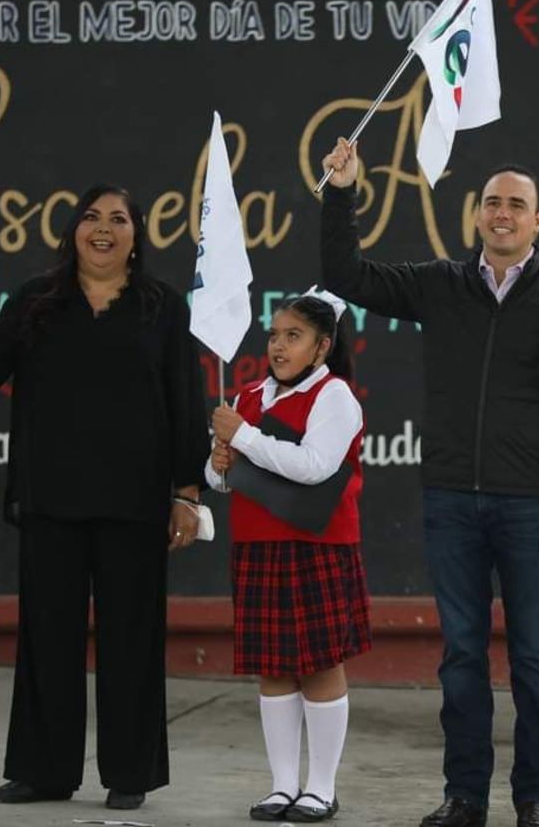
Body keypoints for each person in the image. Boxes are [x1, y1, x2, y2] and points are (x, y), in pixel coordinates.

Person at [319, 139, 539, 827]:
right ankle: (466, 796)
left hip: (533, 505)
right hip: (452, 500)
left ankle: (535, 798)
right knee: (461, 659)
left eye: (517, 204)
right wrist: (340, 193)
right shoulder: (439, 283)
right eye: (492, 203)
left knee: (536, 660)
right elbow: (345, 273)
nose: (502, 214)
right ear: (477, 216)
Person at [0, 184, 209, 811]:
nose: (103, 229)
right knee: (48, 638)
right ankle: (44, 771)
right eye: (91, 218)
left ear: (135, 235)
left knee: (133, 640)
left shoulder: (163, 307)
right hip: (52, 499)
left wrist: (185, 493)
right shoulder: (35, 301)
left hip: (137, 503)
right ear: (72, 230)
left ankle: (130, 773)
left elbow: (186, 404)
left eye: (118, 219)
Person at [205, 289, 369, 823]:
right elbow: (221, 482)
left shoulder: (337, 397)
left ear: (322, 347)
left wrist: (244, 438)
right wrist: (218, 459)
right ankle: (281, 786)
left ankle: (321, 787)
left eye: (293, 336)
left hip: (317, 548)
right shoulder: (247, 397)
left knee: (320, 666)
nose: (278, 345)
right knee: (273, 669)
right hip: (258, 547)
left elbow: (315, 467)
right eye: (275, 334)